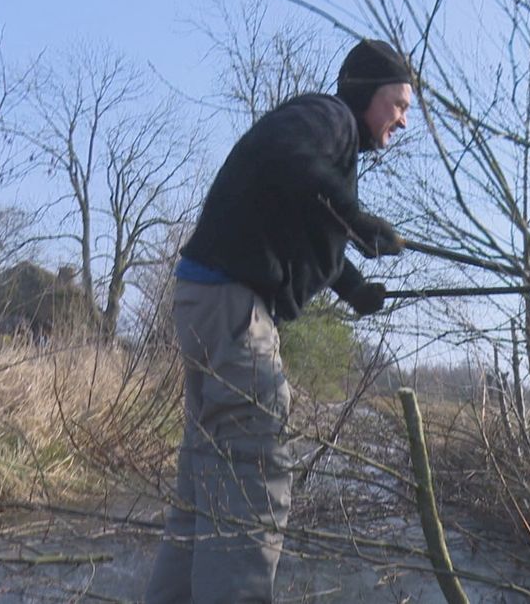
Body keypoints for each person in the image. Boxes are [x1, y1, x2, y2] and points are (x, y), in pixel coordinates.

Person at [145, 40, 412, 603]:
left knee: (206, 481)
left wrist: (352, 285)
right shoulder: (327, 119)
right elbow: (288, 156)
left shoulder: (326, 141)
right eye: (399, 103)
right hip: (233, 307)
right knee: (252, 482)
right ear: (368, 95)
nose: (402, 120)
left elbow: (305, 210)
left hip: (206, 301)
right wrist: (358, 216)